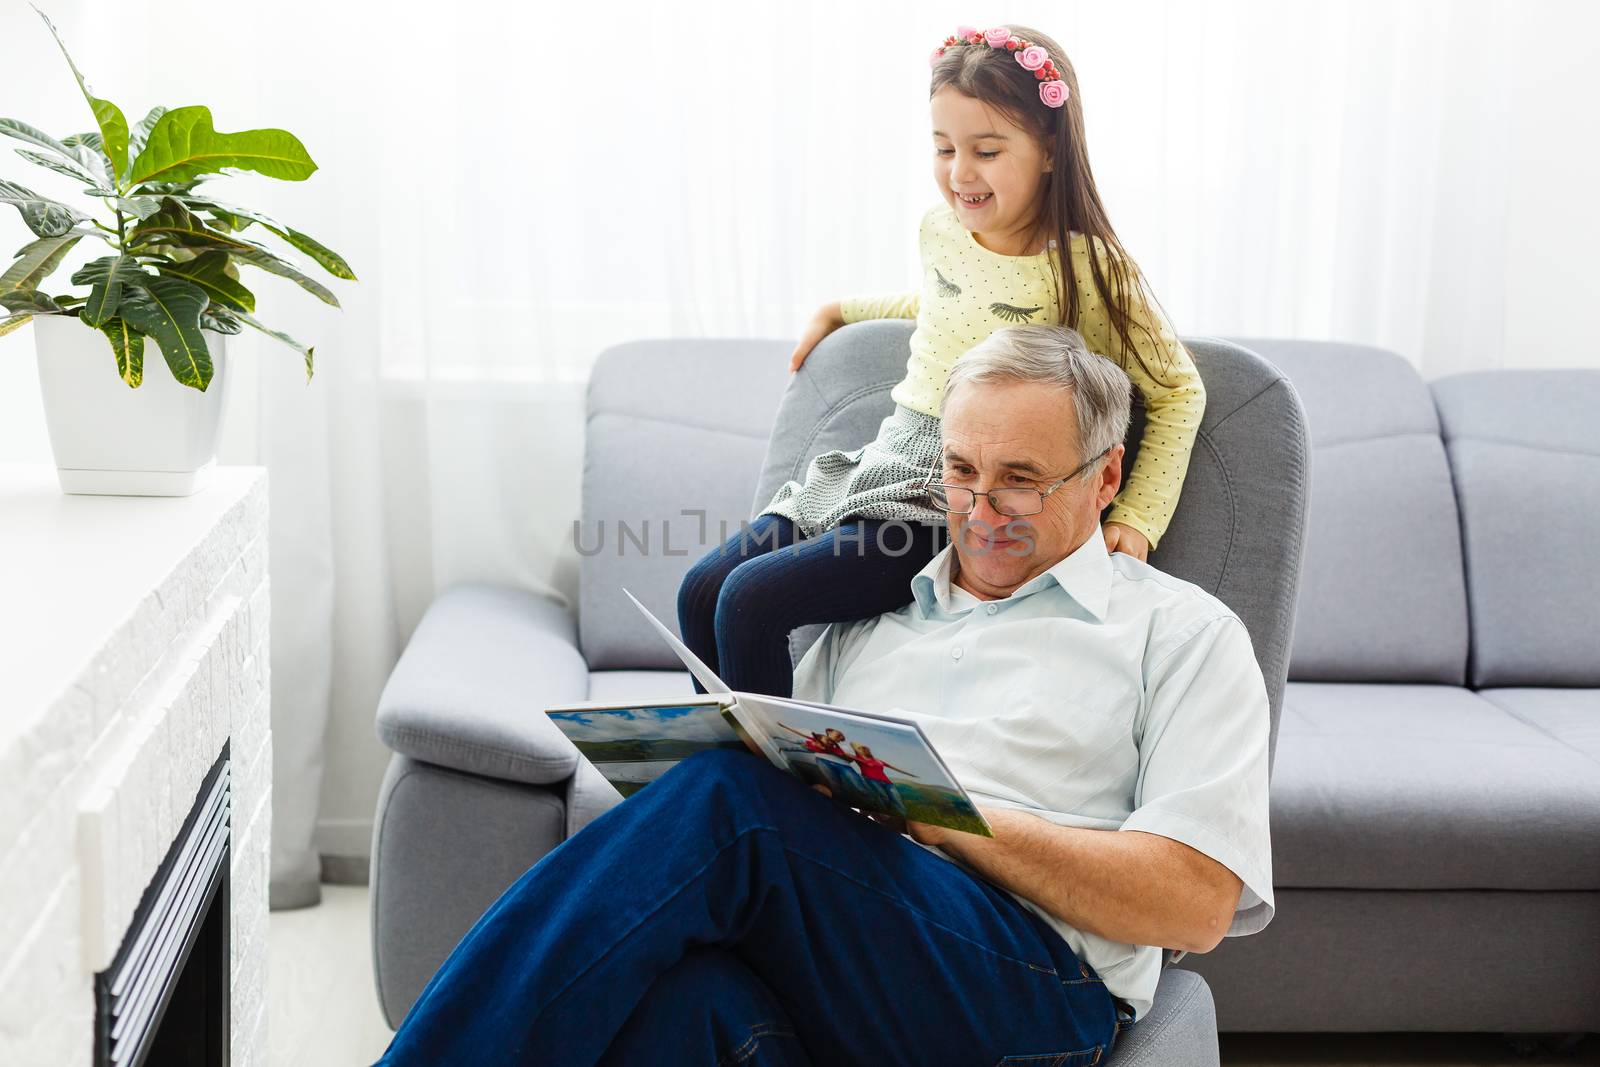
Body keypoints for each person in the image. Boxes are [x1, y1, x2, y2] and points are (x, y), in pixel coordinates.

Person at [375, 326, 1272, 1067]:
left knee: (731, 806)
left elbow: (1192, 903)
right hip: (851, 964)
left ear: (1106, 478)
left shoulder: (1180, 635)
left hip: (1030, 988)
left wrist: (939, 815)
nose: (981, 508)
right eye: (961, 472)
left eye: (1022, 480)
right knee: (684, 1000)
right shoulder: (874, 615)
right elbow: (789, 819)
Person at [678, 23, 1207, 698]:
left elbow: (1178, 392)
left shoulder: (1090, 269)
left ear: (1049, 149)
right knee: (701, 592)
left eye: (986, 150)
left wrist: (1136, 519)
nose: (960, 173)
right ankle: (721, 779)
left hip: (950, 502)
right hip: (884, 460)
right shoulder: (941, 229)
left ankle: (768, 795)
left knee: (750, 602)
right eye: (943, 148)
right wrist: (845, 308)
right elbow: (945, 305)